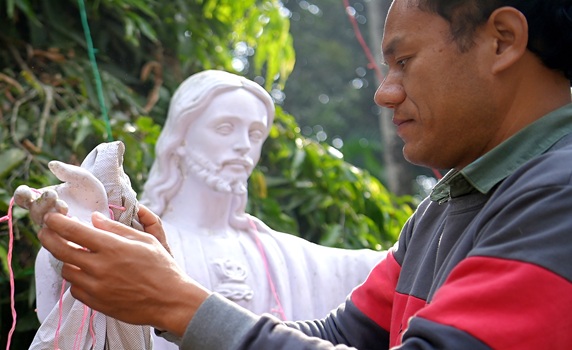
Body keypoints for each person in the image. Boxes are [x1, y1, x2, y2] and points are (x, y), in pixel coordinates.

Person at [36, 0, 572, 348]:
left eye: (403, 61)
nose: (386, 93)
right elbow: (341, 334)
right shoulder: (443, 207)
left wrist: (174, 299)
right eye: (224, 127)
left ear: (502, 40)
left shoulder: (558, 195)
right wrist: (170, 287)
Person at [137, 70, 383, 348]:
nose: (243, 146)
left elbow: (384, 268)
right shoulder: (141, 243)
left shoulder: (281, 254)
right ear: (180, 138)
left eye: (255, 134)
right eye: (225, 128)